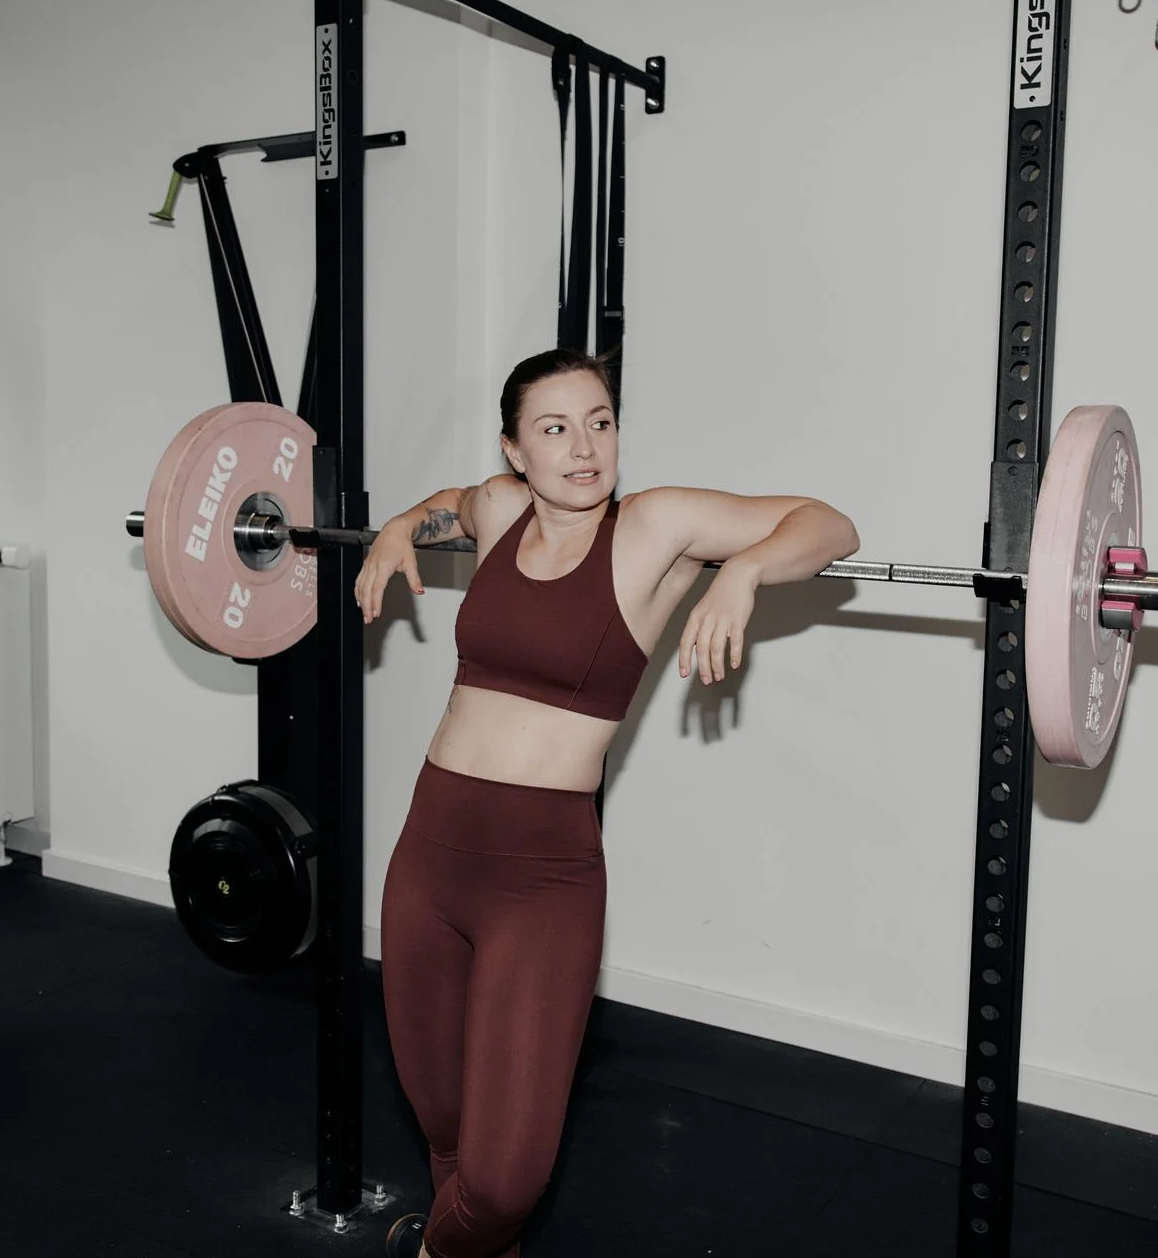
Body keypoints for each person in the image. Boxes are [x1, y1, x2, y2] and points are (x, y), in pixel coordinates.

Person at [357, 347, 860, 1258]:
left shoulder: (654, 526)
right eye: (555, 429)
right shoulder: (501, 509)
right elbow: (450, 506)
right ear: (516, 451)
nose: (584, 447)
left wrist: (743, 572)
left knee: (504, 1179)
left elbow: (830, 524)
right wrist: (397, 526)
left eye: (600, 422)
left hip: (540, 879)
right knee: (445, 1127)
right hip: (428, 855)